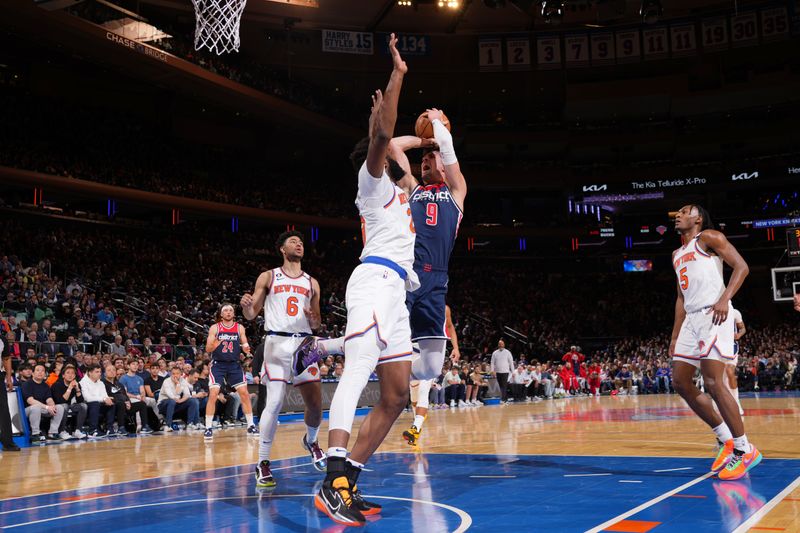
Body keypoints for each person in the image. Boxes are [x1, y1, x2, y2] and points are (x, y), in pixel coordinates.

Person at [314, 34, 416, 527]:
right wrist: (396, 79)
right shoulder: (371, 187)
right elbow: (383, 142)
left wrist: (430, 136)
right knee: (358, 370)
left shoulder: (403, 195)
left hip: (398, 293)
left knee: (396, 394)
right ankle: (333, 480)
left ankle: (349, 481)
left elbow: (402, 149)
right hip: (374, 281)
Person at [670, 204, 761, 481]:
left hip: (714, 313)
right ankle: (726, 439)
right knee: (681, 382)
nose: (679, 215)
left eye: (685, 211)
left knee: (713, 382)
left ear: (697, 218)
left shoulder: (709, 237)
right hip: (691, 319)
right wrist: (674, 335)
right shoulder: (676, 254)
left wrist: (724, 300)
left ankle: (745, 450)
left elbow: (741, 267)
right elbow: (681, 298)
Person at [240, 230, 327, 488]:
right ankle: (263, 462)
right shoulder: (268, 276)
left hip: (304, 343)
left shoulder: (312, 282)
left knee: (315, 405)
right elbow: (251, 314)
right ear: (281, 248)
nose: (299, 244)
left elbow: (318, 321)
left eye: (301, 242)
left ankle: (311, 440)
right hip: (276, 342)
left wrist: (313, 318)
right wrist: (246, 306)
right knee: (275, 402)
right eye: (293, 241)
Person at [403, 304, 461, 446]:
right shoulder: (411, 302)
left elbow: (450, 326)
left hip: (429, 355)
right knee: (414, 395)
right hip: (410, 352)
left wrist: (456, 348)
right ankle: (417, 421)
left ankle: (416, 427)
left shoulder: (444, 308)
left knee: (423, 391)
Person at [203, 303, 257, 438]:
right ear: (221, 314)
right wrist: (214, 345)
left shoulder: (239, 328)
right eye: (225, 310)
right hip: (218, 364)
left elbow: (245, 345)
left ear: (233, 314)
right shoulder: (215, 328)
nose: (228, 312)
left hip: (234, 364)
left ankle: (251, 425)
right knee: (213, 393)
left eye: (230, 310)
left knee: (244, 393)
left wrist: (246, 348)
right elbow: (207, 349)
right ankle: (208, 427)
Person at [21, 363, 65, 442]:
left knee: (60, 408)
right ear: (33, 373)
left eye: (42, 371)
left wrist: (52, 406)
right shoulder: (27, 384)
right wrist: (47, 407)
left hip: (42, 408)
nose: (40, 372)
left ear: (45, 374)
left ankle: (53, 433)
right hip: (27, 410)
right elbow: (30, 401)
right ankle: (35, 434)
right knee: (36, 407)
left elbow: (49, 399)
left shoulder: (45, 385)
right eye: (38, 370)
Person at [51, 364, 87, 439]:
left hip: (70, 405)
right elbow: (61, 401)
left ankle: (77, 431)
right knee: (64, 406)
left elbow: (80, 400)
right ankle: (61, 431)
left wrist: (77, 389)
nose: (70, 375)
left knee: (83, 406)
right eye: (68, 373)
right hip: (58, 407)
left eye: (72, 373)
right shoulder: (57, 385)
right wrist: (70, 388)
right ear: (63, 375)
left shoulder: (76, 384)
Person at [158, 366, 200, 431]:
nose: (175, 375)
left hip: (177, 403)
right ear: (170, 374)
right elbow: (171, 396)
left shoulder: (183, 381)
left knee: (193, 401)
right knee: (172, 401)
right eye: (173, 373)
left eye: (177, 373)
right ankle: (168, 425)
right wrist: (177, 384)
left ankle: (190, 424)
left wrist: (181, 400)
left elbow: (187, 394)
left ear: (181, 374)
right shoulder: (166, 381)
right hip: (163, 404)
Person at [80, 363, 115, 438]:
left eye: (100, 372)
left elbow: (105, 395)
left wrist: (107, 399)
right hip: (87, 406)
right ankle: (93, 430)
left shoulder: (101, 383)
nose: (99, 374)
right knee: (94, 403)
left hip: (99, 404)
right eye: (97, 372)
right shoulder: (83, 382)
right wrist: (103, 399)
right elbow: (87, 398)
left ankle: (109, 428)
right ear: (90, 372)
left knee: (111, 404)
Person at [118, 359, 153, 434]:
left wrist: (142, 396)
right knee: (141, 403)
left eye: (137, 364)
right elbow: (125, 393)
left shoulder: (139, 378)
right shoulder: (123, 378)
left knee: (153, 401)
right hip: (130, 398)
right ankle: (142, 425)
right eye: (133, 364)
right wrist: (136, 397)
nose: (135, 366)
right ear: (128, 366)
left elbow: (142, 390)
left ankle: (160, 421)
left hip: (139, 397)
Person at [0, 337, 21, 451]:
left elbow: (6, 358)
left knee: (3, 409)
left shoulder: (2, 339)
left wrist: (9, 377)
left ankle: (7, 442)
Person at [726, 307, 746, 416]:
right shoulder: (709, 311)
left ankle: (736, 403)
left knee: (730, 372)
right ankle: (721, 403)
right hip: (715, 345)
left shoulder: (735, 312)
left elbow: (743, 328)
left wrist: (739, 334)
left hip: (730, 345)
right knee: (718, 378)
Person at [491, 339, 514, 404]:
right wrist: (492, 370)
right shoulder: (495, 353)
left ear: (504, 345)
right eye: (499, 344)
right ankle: (505, 398)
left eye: (502, 344)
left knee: (504, 386)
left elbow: (511, 362)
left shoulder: (508, 352)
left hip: (505, 372)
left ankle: (503, 399)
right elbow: (492, 362)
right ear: (498, 345)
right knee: (501, 386)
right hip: (498, 372)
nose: (501, 345)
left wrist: (513, 372)